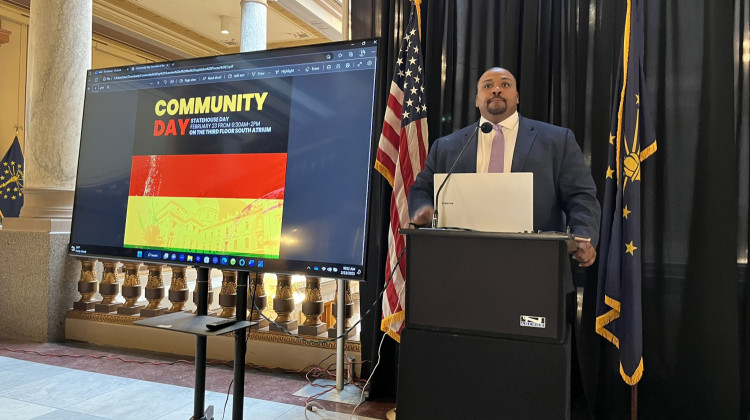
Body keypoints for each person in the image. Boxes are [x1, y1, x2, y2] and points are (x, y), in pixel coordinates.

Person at [408, 67, 600, 268]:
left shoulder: (557, 141)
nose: (496, 90)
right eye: (488, 85)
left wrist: (582, 235)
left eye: (505, 84)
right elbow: (421, 190)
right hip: (462, 266)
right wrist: (422, 209)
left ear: (516, 97)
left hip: (536, 268)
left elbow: (581, 196)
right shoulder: (446, 146)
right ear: (476, 100)